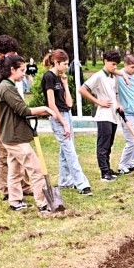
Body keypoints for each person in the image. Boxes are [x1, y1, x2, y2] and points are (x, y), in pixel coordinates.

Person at [0, 55, 55, 212]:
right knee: (36, 170)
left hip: (12, 136)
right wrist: (45, 109)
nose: (24, 74)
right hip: (15, 138)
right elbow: (23, 110)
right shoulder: (7, 88)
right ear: (12, 70)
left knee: (15, 171)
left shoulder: (6, 85)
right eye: (22, 70)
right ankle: (43, 204)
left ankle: (15, 201)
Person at [0, 35, 32, 200]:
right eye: (11, 53)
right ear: (0, 54)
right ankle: (6, 190)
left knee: (18, 155)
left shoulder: (7, 66)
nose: (15, 55)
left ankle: (24, 186)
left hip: (12, 119)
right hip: (1, 121)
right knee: (3, 156)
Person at [41, 49, 92, 195]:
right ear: (56, 62)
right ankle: (82, 184)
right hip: (57, 117)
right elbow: (51, 104)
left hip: (66, 114)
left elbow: (69, 103)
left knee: (66, 150)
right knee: (70, 152)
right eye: (64, 64)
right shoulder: (48, 77)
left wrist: (65, 84)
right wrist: (63, 123)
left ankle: (65, 181)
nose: (66, 67)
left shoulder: (59, 78)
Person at [79, 50, 123, 182]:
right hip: (104, 116)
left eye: (116, 65)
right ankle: (104, 172)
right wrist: (98, 102)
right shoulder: (98, 76)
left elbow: (114, 95)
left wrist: (118, 105)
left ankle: (108, 169)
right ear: (105, 61)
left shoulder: (113, 77)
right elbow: (82, 90)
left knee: (109, 144)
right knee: (103, 145)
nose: (115, 67)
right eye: (113, 64)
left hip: (113, 115)